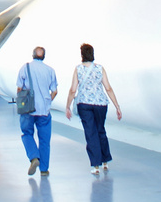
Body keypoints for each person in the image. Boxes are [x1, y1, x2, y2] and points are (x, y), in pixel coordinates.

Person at [65, 43, 122, 174]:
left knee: (91, 133)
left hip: (84, 104)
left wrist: (68, 106)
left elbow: (73, 90)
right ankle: (105, 161)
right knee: (101, 130)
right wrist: (117, 106)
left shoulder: (78, 69)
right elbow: (108, 88)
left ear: (82, 55)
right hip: (101, 104)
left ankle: (95, 165)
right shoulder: (100, 69)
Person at [16, 46, 58, 176]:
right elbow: (54, 91)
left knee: (27, 133)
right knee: (45, 140)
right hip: (44, 109)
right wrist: (47, 101)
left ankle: (34, 157)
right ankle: (44, 169)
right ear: (44, 56)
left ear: (32, 55)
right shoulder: (50, 70)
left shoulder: (25, 68)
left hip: (28, 108)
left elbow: (19, 89)